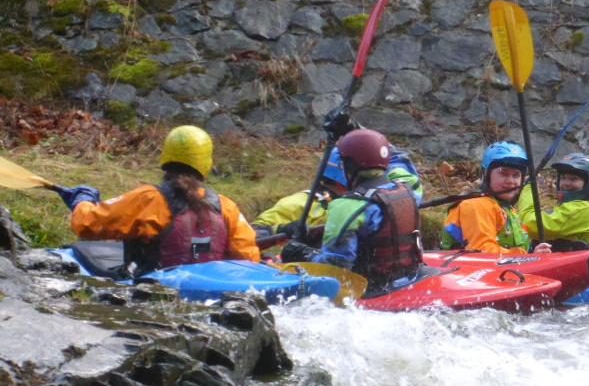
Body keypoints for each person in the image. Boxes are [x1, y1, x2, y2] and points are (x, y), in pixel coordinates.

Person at [60, 125, 260, 276]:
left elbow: (86, 225)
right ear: (206, 163)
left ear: (166, 157)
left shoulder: (149, 198)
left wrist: (82, 201)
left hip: (150, 291)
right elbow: (248, 260)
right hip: (206, 294)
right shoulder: (226, 206)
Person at [280, 128, 423, 292]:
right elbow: (398, 160)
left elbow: (336, 267)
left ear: (349, 164)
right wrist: (355, 128)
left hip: (371, 289)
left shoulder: (346, 206)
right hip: (409, 277)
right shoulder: (409, 188)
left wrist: (302, 253)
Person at [441, 141, 551, 255]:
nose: (511, 181)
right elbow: (481, 250)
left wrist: (534, 255)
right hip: (466, 265)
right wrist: (524, 257)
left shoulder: (507, 209)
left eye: (516, 175)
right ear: (487, 175)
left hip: (505, 264)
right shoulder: (476, 204)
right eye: (503, 173)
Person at [518, 152, 589, 259]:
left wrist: (527, 188)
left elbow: (528, 225)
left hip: (579, 268)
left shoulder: (584, 210)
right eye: (563, 178)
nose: (566, 183)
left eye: (574, 179)